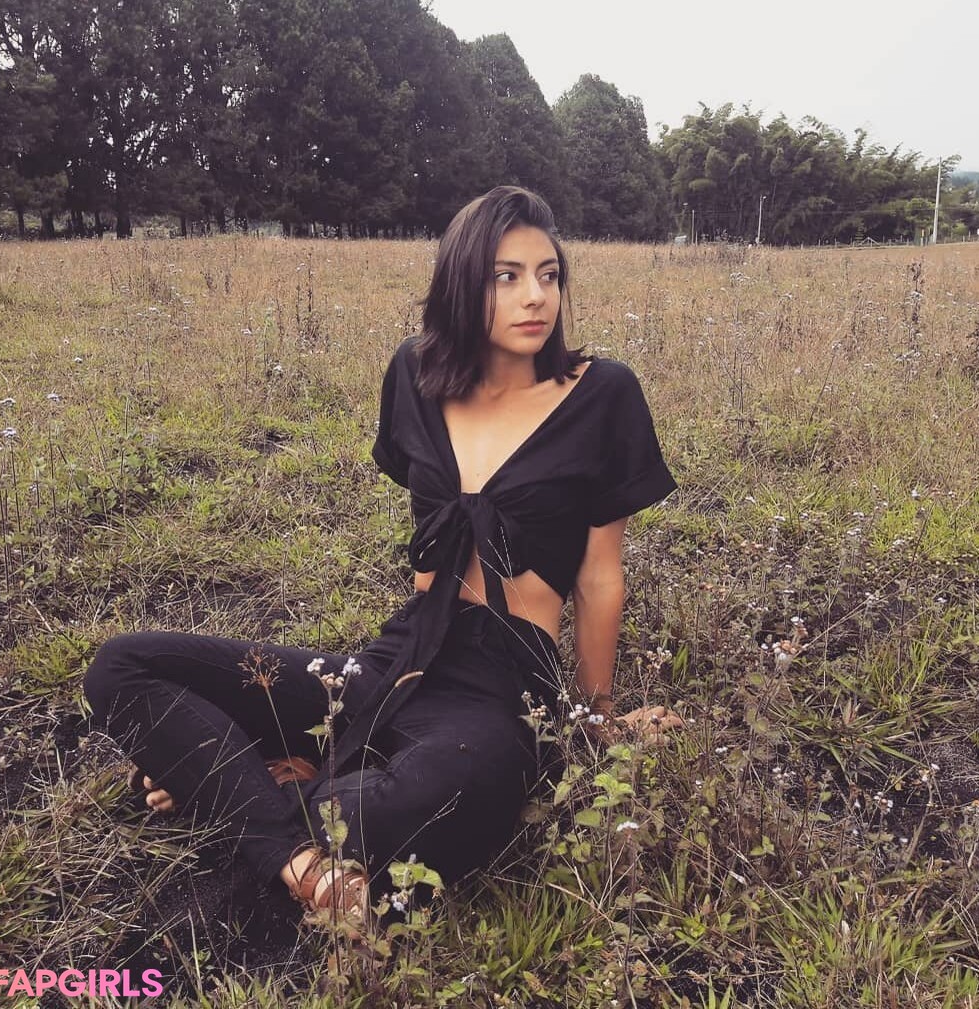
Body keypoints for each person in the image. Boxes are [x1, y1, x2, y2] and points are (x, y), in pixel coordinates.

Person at [82, 185, 679, 938]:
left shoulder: (602, 393)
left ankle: (234, 784)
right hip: (394, 660)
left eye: (549, 274)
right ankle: (298, 850)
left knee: (443, 795)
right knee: (123, 665)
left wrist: (596, 718)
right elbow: (430, 545)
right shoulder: (416, 376)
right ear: (461, 283)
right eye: (506, 276)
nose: (536, 296)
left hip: (498, 686)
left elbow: (598, 576)